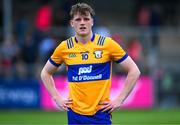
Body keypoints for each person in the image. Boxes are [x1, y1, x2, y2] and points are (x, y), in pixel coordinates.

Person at [41, 3, 140, 125]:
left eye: (86, 19)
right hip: (75, 115)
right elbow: (45, 73)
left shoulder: (107, 44)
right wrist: (56, 97)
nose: (82, 22)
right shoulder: (65, 47)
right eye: (78, 19)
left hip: (101, 114)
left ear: (92, 22)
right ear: (72, 23)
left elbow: (134, 70)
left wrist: (120, 99)